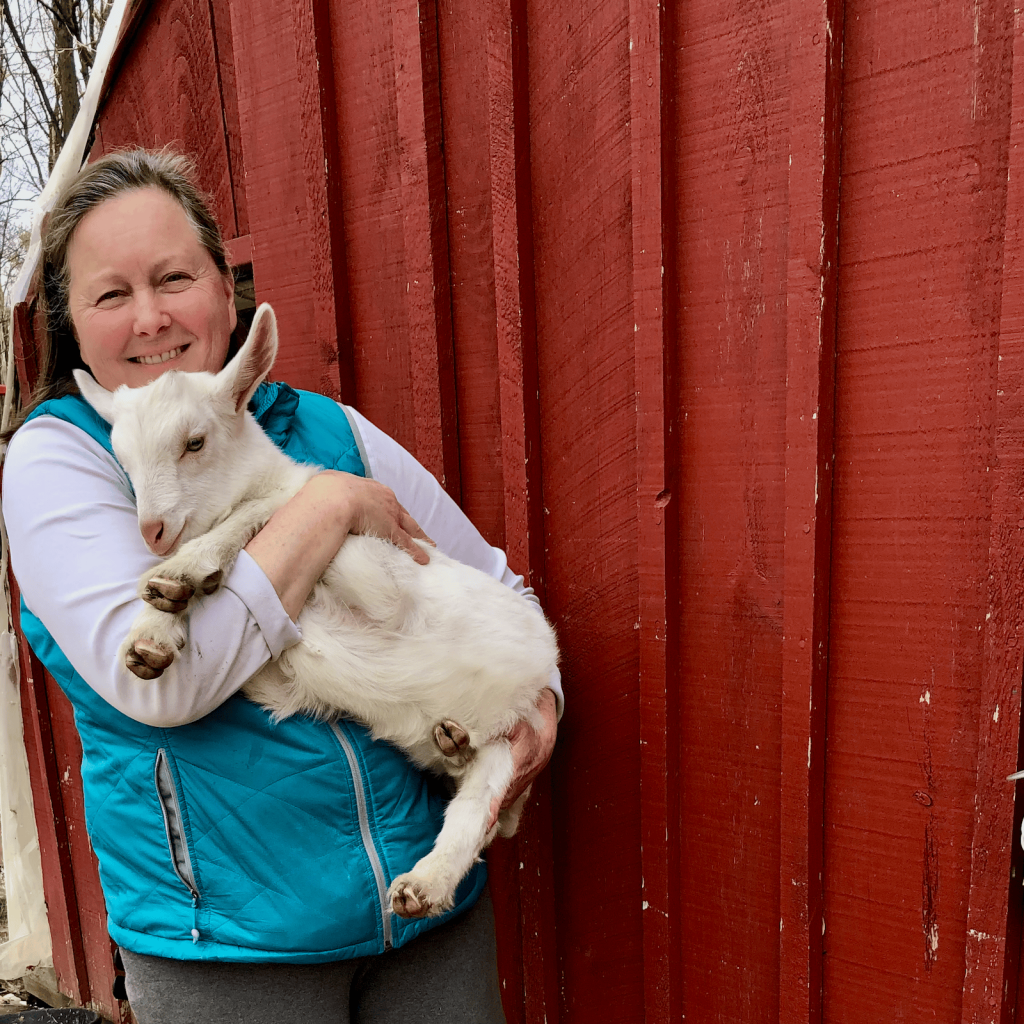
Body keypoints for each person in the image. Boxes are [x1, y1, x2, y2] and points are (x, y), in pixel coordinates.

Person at [1, 148, 561, 1024]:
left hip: (424, 922)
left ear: (226, 292)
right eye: (111, 294)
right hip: (232, 951)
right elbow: (167, 681)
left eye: (174, 277)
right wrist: (325, 507)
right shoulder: (62, 459)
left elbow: (492, 583)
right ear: (73, 325)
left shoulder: (328, 427)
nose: (150, 318)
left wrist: (541, 709)